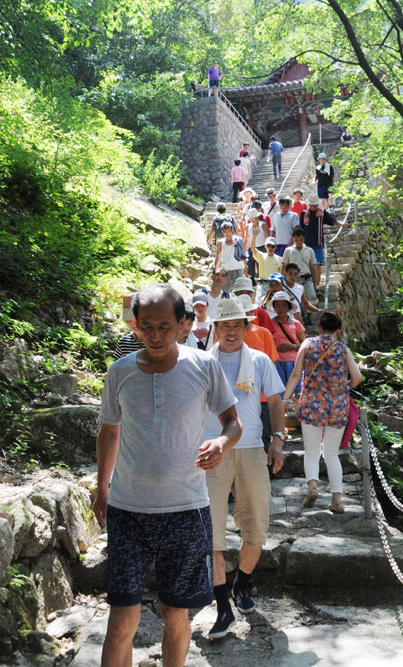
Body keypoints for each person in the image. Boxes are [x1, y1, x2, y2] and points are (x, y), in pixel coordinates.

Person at [94, 283, 242, 667]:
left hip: (187, 510)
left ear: (181, 324)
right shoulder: (120, 372)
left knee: (176, 616)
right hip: (129, 511)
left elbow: (233, 423)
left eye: (164, 326)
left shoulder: (203, 366)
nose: (156, 335)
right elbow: (108, 432)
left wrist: (221, 444)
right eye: (147, 327)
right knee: (120, 621)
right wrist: (101, 489)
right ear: (135, 327)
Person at [204, 297, 285, 639]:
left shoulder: (260, 360)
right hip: (211, 450)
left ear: (247, 327)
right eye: (225, 325)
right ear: (215, 329)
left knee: (257, 527)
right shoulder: (201, 362)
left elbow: (277, 400)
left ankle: (243, 585)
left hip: (252, 448)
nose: (231, 331)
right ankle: (223, 608)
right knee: (212, 533)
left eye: (237, 324)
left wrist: (278, 438)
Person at [282, 310, 362, 513]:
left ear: (319, 328)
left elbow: (295, 373)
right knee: (332, 454)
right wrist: (343, 388)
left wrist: (285, 398)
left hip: (311, 406)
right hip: (336, 408)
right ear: (338, 330)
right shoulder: (343, 349)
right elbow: (357, 377)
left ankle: (313, 487)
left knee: (311, 452)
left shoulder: (307, 344)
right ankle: (336, 499)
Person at [240, 296, 280, 453]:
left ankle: (265, 469)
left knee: (264, 434)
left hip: (262, 394)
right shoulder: (229, 336)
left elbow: (272, 363)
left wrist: (273, 392)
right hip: (239, 394)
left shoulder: (264, 333)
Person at [268, 290, 306, 388]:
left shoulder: (296, 324)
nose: (280, 308)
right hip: (276, 362)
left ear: (288, 307)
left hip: (294, 362)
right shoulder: (269, 324)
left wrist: (292, 346)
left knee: (296, 391)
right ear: (274, 307)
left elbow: (305, 344)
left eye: (283, 305)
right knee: (279, 391)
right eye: (278, 305)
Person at [281, 228, 320, 303]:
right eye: (296, 240)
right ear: (293, 239)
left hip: (306, 279)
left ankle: (309, 314)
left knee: (313, 298)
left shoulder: (310, 251)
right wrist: (282, 281)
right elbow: (284, 266)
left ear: (304, 239)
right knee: (294, 300)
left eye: (301, 240)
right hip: (293, 280)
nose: (299, 242)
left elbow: (313, 268)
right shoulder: (288, 251)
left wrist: (316, 285)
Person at [299, 194, 336, 265]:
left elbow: (332, 221)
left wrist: (341, 224)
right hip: (306, 244)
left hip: (317, 244)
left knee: (318, 264)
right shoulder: (304, 214)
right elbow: (301, 228)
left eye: (315, 205)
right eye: (311, 205)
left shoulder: (322, 213)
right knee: (307, 264)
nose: (313, 207)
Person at [215, 221, 247, 291]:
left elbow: (242, 254)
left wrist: (245, 266)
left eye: (229, 231)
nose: (227, 234)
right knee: (223, 290)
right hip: (225, 269)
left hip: (237, 268)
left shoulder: (238, 240)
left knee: (239, 290)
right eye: (225, 232)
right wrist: (216, 269)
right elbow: (218, 257)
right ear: (222, 232)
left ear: (232, 230)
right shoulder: (220, 242)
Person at [113, 292, 145, 358]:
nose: (134, 324)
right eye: (129, 320)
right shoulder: (123, 342)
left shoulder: (157, 340)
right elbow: (118, 366)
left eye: (138, 319)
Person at [251, 236, 282, 304]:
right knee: (259, 303)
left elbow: (281, 273)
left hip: (274, 285)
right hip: (263, 285)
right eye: (269, 245)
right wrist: (254, 236)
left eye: (273, 246)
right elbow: (252, 249)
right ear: (265, 246)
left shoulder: (279, 259)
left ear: (276, 247)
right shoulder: (261, 256)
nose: (270, 248)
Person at [244, 206, 269, 280]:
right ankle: (252, 283)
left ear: (257, 217)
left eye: (254, 217)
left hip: (261, 247)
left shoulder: (263, 225)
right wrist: (244, 250)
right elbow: (247, 238)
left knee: (260, 266)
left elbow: (267, 236)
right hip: (251, 248)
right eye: (251, 218)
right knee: (250, 267)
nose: (253, 220)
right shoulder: (248, 226)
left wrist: (267, 247)